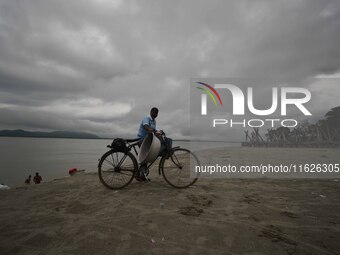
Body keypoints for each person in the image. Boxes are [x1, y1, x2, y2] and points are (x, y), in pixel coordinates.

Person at [136, 107, 172, 182]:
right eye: (154, 112)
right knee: (145, 159)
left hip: (148, 140)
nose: (155, 114)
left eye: (157, 113)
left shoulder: (154, 121)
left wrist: (159, 131)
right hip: (142, 140)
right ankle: (140, 175)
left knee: (145, 159)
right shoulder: (147, 118)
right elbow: (146, 127)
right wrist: (151, 130)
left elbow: (154, 131)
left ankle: (142, 175)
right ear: (151, 112)